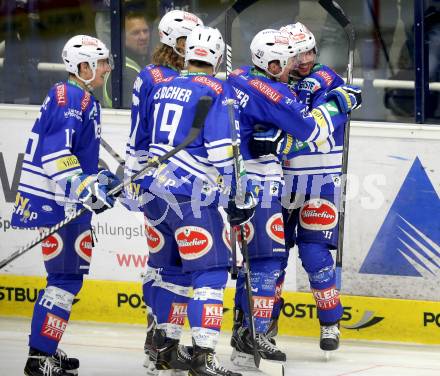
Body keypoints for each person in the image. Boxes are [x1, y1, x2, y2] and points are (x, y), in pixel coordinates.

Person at [227, 28, 360, 367]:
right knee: (271, 259)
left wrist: (284, 141)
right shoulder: (270, 81)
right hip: (281, 182)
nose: (306, 60)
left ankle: (331, 321)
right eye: (298, 54)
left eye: (311, 51)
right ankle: (257, 326)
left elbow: (314, 130)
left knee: (316, 257)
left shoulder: (328, 80)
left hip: (320, 181)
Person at [135, 25, 248, 376]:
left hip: (154, 193)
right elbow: (221, 153)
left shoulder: (164, 86)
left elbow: (140, 142)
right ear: (216, 56)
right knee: (211, 273)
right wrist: (237, 196)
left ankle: (165, 349)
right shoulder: (219, 90)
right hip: (190, 197)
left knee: (171, 273)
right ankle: (203, 355)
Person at [10, 35, 118, 376]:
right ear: (82, 67)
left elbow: (77, 155)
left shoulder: (80, 97)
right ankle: (38, 357)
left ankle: (45, 350)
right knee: (65, 279)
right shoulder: (69, 97)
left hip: (65, 200)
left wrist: (99, 179)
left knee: (68, 278)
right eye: (100, 63)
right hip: (57, 203)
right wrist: (86, 189)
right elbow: (56, 155)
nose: (106, 69)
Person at [122, 9, 203, 373]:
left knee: (168, 264)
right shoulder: (161, 77)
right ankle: (160, 341)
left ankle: (160, 341)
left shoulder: (159, 75)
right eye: (189, 40)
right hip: (167, 184)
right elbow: (140, 134)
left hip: (164, 183)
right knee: (168, 264)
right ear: (173, 41)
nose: (196, 46)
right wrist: (135, 174)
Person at [103, 11, 151, 108]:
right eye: (136, 33)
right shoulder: (126, 73)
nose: (143, 37)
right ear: (122, 37)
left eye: (145, 31)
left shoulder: (134, 62)